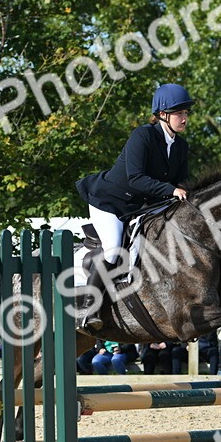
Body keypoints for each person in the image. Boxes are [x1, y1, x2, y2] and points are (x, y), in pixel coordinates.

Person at [74, 83, 193, 329]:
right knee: (113, 250)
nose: (185, 118)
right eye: (179, 112)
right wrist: (171, 190)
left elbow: (182, 181)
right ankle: (89, 309)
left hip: (141, 206)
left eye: (186, 113)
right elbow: (135, 178)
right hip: (110, 202)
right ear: (163, 114)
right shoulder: (143, 136)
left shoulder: (181, 147)